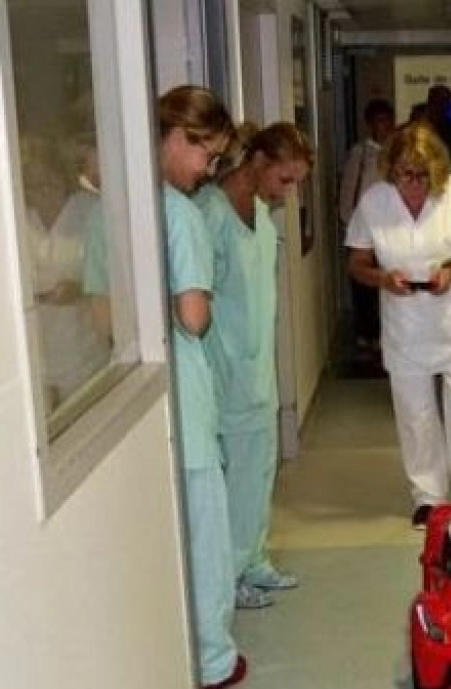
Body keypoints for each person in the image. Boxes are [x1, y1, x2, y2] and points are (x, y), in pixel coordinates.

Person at [84, 86, 242, 689]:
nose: (209, 170)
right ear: (180, 137)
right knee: (203, 530)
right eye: (208, 155)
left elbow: (100, 318)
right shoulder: (178, 213)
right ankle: (212, 661)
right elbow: (194, 317)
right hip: (186, 395)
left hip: (128, 389)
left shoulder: (106, 209)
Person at [345, 122, 451, 529]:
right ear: (390, 169)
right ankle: (428, 496)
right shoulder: (374, 202)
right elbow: (357, 264)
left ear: (437, 171)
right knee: (415, 414)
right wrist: (383, 279)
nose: (412, 183)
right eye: (403, 173)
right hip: (406, 327)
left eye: (421, 175)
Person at [197, 121, 313, 611]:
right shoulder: (211, 214)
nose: (290, 191)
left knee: (259, 471)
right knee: (233, 480)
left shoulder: (261, 217)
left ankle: (254, 558)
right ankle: (230, 576)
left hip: (258, 368)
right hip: (225, 370)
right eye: (285, 180)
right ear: (258, 163)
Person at [20, 134, 104, 406]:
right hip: (38, 365)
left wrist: (80, 291)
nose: (43, 193)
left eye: (47, 182)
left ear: (61, 176)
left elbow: (118, 283)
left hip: (87, 360)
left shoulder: (90, 211)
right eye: (33, 186)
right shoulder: (20, 222)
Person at [339, 98, 396, 364]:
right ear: (370, 124)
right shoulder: (360, 154)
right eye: (379, 121)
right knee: (363, 286)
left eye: (387, 121)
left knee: (387, 285)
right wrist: (352, 225)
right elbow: (348, 191)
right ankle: (365, 336)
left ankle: (385, 336)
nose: (384, 127)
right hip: (364, 232)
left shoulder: (396, 153)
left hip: (391, 233)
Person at [424, 84, 451, 172]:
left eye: (446, 102)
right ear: (429, 102)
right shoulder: (418, 129)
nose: (442, 106)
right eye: (438, 102)